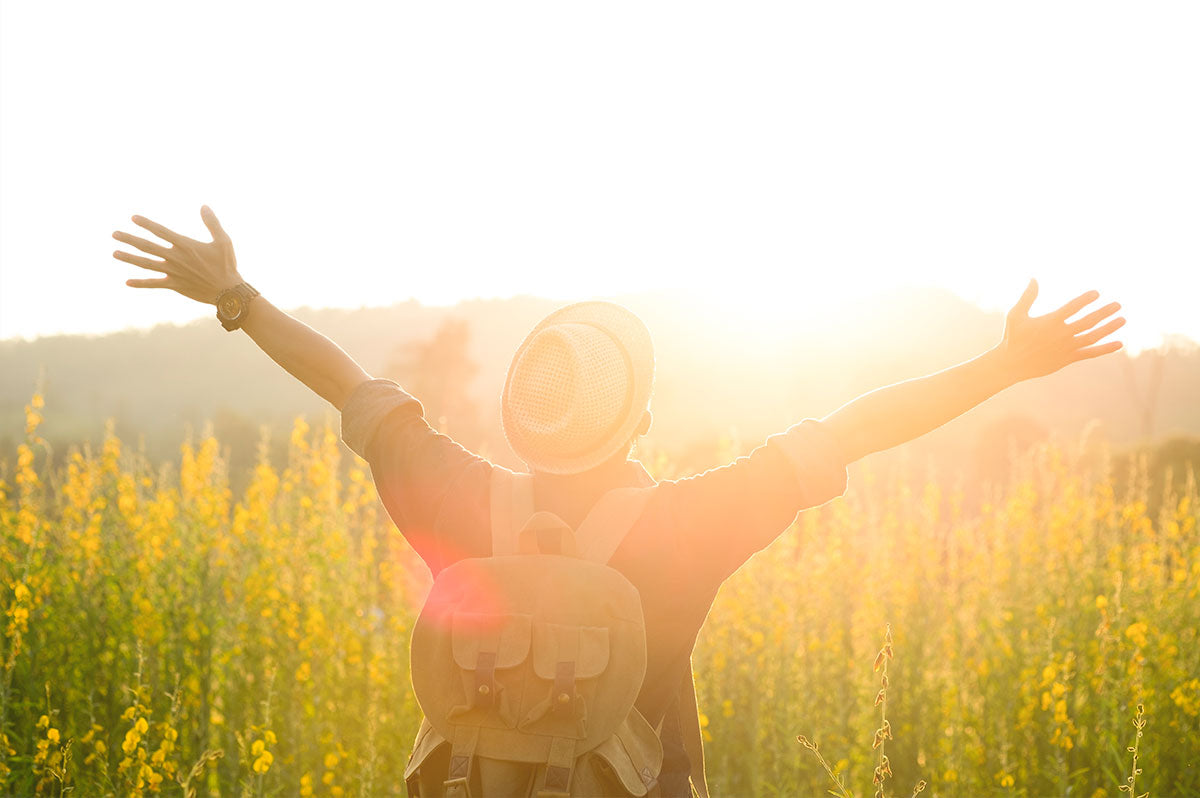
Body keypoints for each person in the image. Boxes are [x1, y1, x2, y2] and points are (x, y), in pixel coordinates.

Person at [113, 206, 1125, 796]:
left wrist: (237, 300)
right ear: (637, 420)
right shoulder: (688, 528)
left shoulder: (453, 497)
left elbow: (347, 382)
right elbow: (857, 425)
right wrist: (1002, 365)